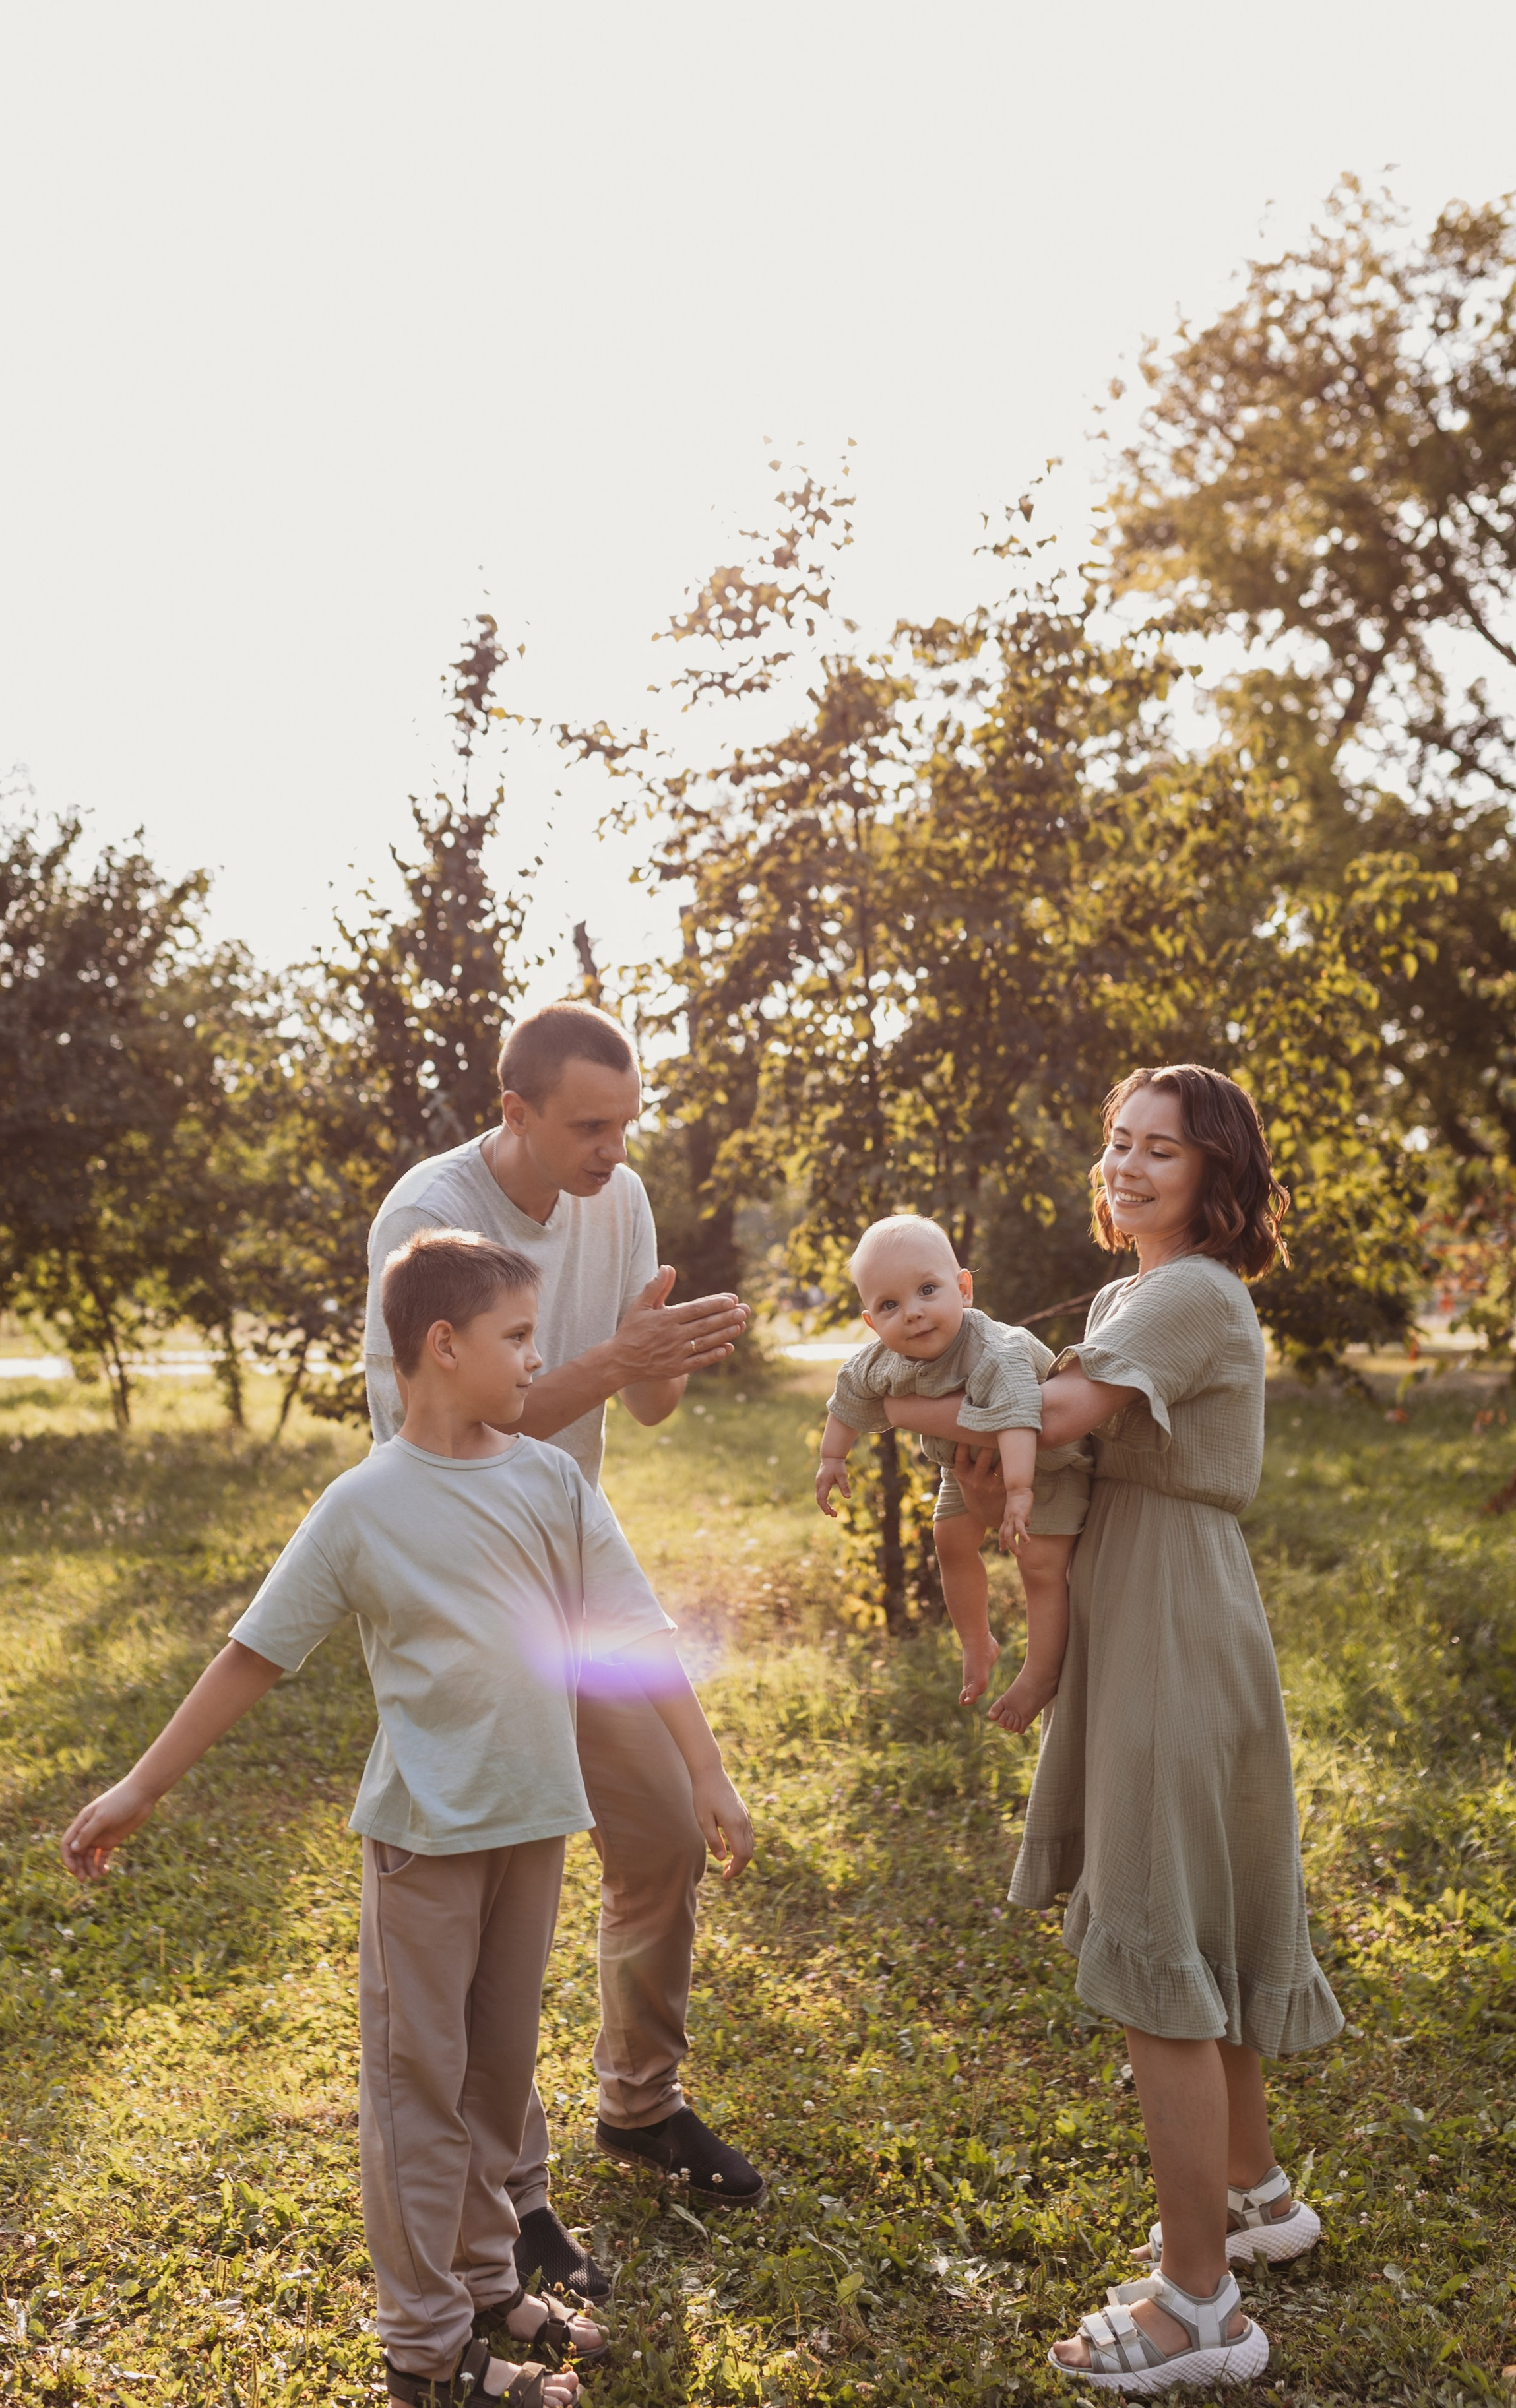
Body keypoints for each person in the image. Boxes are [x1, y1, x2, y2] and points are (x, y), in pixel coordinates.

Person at [61, 1231, 754, 2408]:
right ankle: (425, 2349)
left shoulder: (548, 1480)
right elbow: (254, 1656)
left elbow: (637, 1634)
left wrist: (709, 1771)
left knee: (495, 2076)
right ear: (445, 1345)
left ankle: (487, 2282)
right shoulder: (364, 1506)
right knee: (417, 2089)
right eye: (519, 1338)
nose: (539, 1359)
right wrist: (137, 1788)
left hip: (534, 1825)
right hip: (427, 1840)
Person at [885, 1066, 1339, 2392]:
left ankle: (1198, 2309)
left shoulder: (1194, 1291)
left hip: (1176, 1619)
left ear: (1214, 1175)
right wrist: (1036, 1653)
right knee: (1194, 1915)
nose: (1128, 1169)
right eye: (1116, 1144)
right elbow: (1061, 1473)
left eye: (1162, 1151)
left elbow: (1064, 1415)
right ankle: (1250, 2196)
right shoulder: (1118, 1298)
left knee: (1154, 1947)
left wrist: (870, 1404)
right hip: (1141, 1605)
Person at [362, 1001, 763, 2300]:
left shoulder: (621, 1193)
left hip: (571, 1563)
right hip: (465, 1584)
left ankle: (636, 2106)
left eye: (625, 1122)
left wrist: (666, 1352)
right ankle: (504, 2193)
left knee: (655, 1838)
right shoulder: (428, 1218)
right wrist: (610, 1356)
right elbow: (462, 1425)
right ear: (515, 1110)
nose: (610, 1149)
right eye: (587, 1126)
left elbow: (636, 1401)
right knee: (494, 1894)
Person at [815, 1213, 1091, 1730]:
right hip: (961, 1464)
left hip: (1046, 1470)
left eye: (927, 1290)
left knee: (1040, 1568)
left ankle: (1040, 1674)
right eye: (890, 1305)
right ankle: (976, 1641)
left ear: (963, 1289)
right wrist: (833, 1458)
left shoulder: (996, 1351)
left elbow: (1019, 1416)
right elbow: (849, 1393)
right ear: (872, 1322)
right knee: (949, 1540)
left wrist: (1017, 1491)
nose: (914, 1313)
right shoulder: (882, 1358)